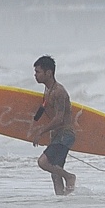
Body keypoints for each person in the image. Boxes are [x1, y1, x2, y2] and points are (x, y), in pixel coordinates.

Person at [29, 55, 77, 196]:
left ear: (48, 73)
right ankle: (62, 203)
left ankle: (69, 177)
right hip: (58, 136)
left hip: (65, 135)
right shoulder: (48, 90)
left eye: (38, 72)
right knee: (55, 173)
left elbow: (59, 118)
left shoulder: (59, 92)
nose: (35, 75)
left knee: (43, 163)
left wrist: (41, 132)